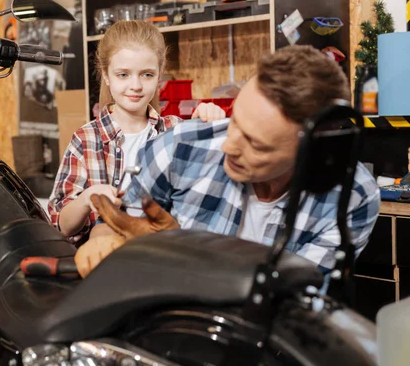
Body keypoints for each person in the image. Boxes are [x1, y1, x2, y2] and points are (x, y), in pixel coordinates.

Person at [75, 45, 381, 277]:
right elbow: (114, 225)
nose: (229, 146)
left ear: (314, 153)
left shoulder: (352, 197)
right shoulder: (180, 147)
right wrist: (100, 241)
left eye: (255, 144)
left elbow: (291, 301)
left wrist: (180, 252)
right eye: (235, 122)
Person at [48, 20, 226, 245]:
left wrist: (208, 120)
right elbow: (61, 225)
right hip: (105, 262)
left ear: (159, 75)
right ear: (106, 75)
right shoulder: (85, 140)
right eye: (123, 74)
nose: (136, 85)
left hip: (164, 256)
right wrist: (86, 199)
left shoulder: (174, 130)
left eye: (147, 75)